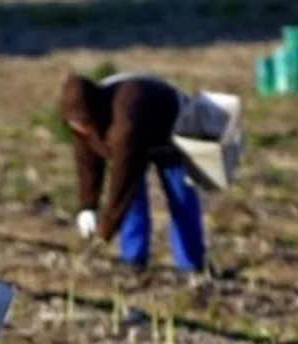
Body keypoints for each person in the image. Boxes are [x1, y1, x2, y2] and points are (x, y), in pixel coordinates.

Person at [59, 71, 207, 273]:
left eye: (84, 124)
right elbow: (87, 163)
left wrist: (106, 229)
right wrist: (88, 206)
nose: (81, 130)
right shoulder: (79, 123)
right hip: (134, 139)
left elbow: (124, 176)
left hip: (171, 130)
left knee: (180, 196)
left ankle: (190, 263)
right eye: (75, 125)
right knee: (132, 201)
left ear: (94, 114)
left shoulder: (124, 121)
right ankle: (132, 259)